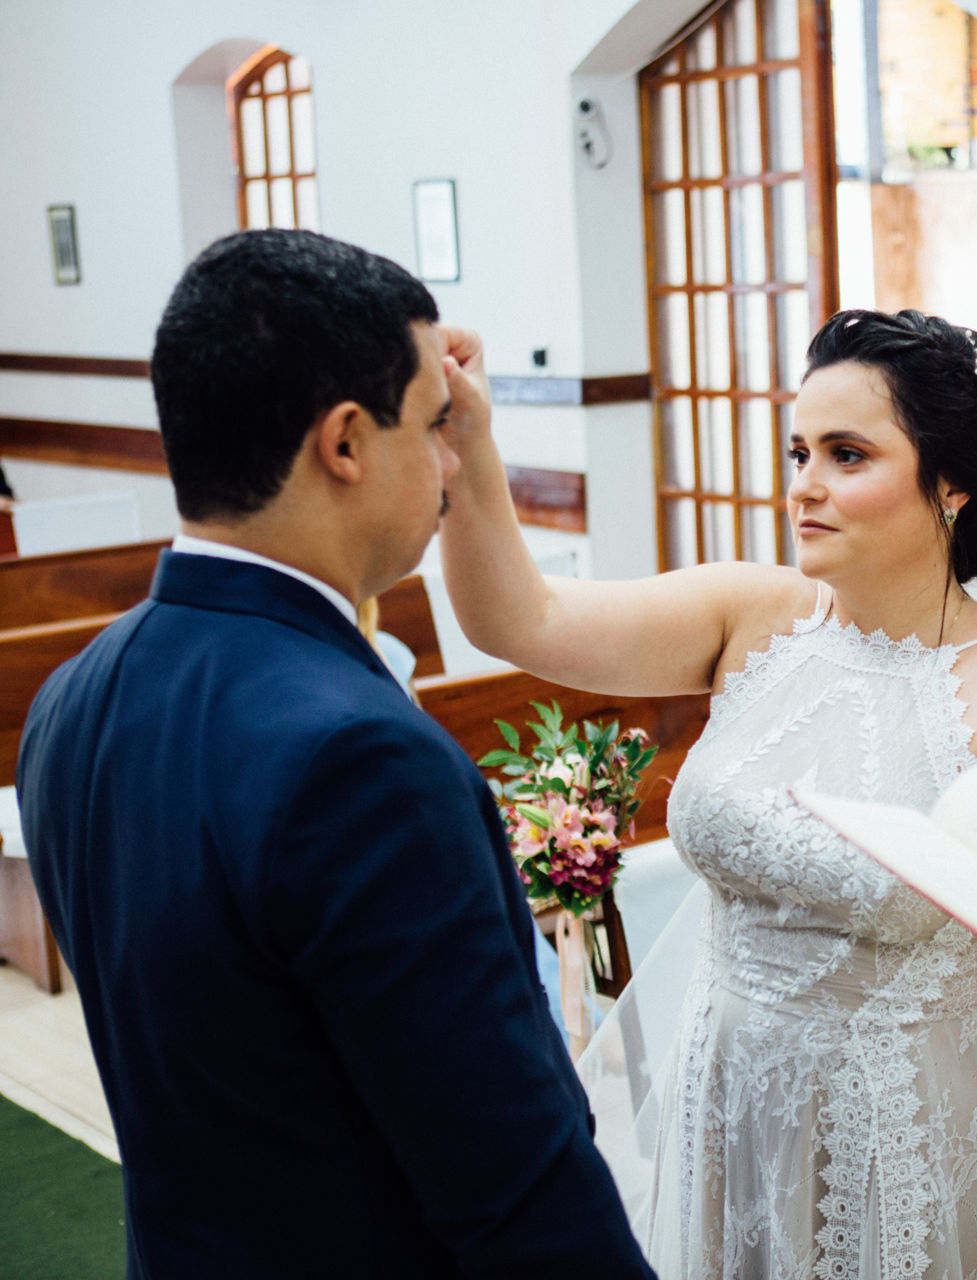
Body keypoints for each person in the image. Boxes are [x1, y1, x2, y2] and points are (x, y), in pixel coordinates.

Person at [434, 307, 977, 1277]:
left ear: (954, 480)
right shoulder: (755, 614)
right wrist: (468, 438)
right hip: (730, 1106)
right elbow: (519, 617)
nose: (805, 485)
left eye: (848, 454)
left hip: (913, 1138)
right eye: (799, 451)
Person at [18, 229, 654, 1279]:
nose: (452, 458)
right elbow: (513, 1181)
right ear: (346, 442)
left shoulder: (75, 696)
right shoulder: (359, 760)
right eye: (436, 424)